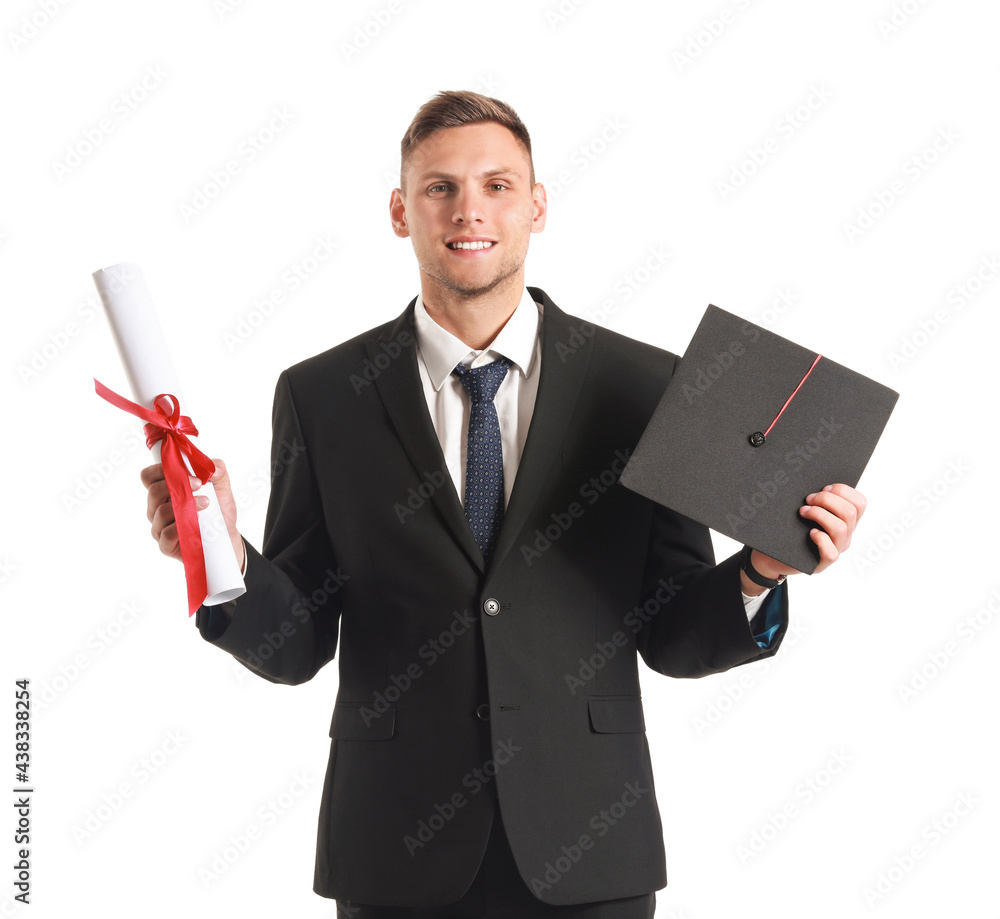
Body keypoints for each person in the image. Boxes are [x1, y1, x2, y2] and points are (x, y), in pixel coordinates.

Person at [141, 91, 865, 917]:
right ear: (398, 210)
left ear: (537, 204)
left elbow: (671, 633)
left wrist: (763, 567)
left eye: (497, 184)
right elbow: (297, 640)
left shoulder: (645, 385)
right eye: (439, 187)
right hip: (394, 850)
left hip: (591, 846)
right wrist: (221, 553)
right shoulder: (322, 395)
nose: (468, 210)